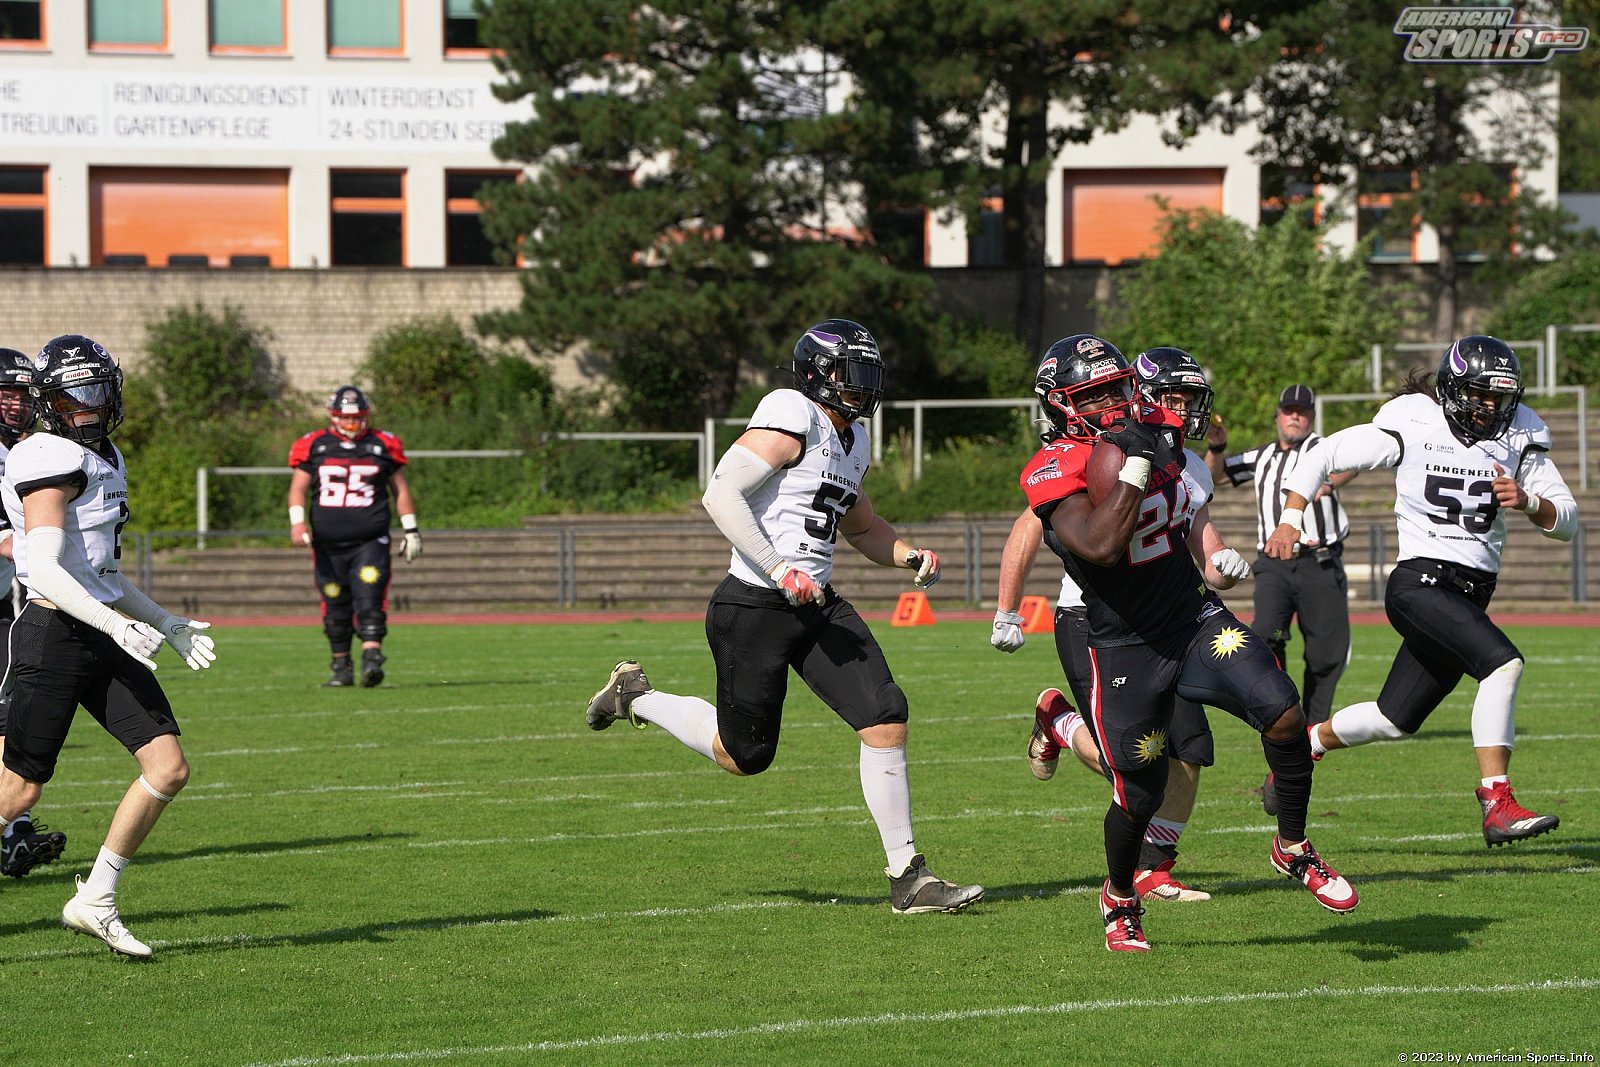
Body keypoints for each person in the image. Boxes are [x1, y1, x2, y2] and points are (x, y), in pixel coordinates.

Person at [584, 319, 983, 915]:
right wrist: (777, 567)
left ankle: (909, 876)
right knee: (744, 756)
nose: (862, 387)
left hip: (816, 603)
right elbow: (720, 492)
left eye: (868, 375)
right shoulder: (791, 411)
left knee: (885, 715)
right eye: (852, 374)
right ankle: (636, 699)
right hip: (754, 606)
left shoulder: (855, 440)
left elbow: (862, 525)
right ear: (819, 374)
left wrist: (907, 555)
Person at [1020, 333, 1356, 952]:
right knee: (1140, 789)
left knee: (1283, 711)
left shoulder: (1152, 425)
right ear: (1063, 404)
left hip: (1192, 615)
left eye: (1117, 386)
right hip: (1123, 643)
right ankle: (1121, 896)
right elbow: (1099, 546)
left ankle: (1293, 846)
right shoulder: (1054, 469)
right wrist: (1136, 467)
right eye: (1092, 395)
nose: (1111, 402)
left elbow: (1193, 439)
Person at [1265, 336, 1577, 847]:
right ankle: (1496, 802)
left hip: (1471, 593)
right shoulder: (1415, 420)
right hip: (1421, 582)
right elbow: (1323, 455)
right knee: (1503, 664)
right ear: (1454, 390)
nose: (1492, 408)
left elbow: (1566, 522)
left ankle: (1307, 744)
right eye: (1481, 395)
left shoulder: (1521, 433)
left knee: (1394, 720)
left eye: (1500, 397)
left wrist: (1528, 501)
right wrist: (1291, 518)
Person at [0, 335, 218, 958]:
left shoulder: (108, 455)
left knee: (167, 767)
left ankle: (94, 899)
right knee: (17, 793)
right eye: (76, 394)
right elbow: (41, 567)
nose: (90, 406)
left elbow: (103, 573)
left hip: (98, 626)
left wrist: (164, 621)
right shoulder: (46, 454)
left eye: (98, 390)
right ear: (50, 401)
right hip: (53, 634)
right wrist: (116, 624)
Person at [993, 347, 1228, 903]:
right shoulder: (1082, 455)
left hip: (1168, 616)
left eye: (1188, 399)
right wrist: (1008, 608)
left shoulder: (1186, 462)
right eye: (1173, 398)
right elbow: (1029, 531)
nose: (1182, 409)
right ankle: (1058, 720)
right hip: (1095, 618)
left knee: (1190, 746)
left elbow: (1202, 539)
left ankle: (1154, 867)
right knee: (1128, 761)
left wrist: (1224, 568)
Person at [287, 385, 422, 689]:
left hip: (370, 539)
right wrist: (297, 523)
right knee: (334, 599)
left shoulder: (382, 444)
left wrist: (411, 528)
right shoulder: (315, 445)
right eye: (345, 418)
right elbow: (298, 488)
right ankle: (341, 667)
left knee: (369, 595)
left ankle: (372, 659)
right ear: (333, 417)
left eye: (357, 418)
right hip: (327, 542)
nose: (351, 424)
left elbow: (400, 489)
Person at [0, 347, 68, 878]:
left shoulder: (29, 450)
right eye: (5, 393)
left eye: (23, 393)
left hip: (5, 603)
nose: (15, 403)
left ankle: (14, 830)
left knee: (6, 715)